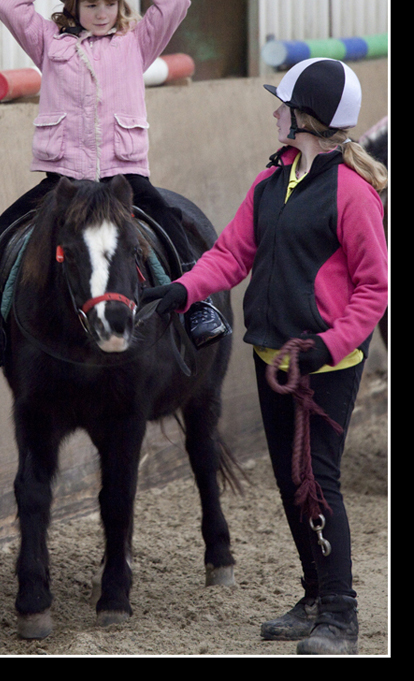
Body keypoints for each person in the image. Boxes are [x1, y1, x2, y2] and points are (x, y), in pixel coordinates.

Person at [142, 57, 388, 655]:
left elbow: (374, 289)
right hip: (273, 356)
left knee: (318, 481)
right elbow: (230, 255)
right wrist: (181, 290)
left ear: (307, 117)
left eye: (283, 103)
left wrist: (329, 344)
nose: (275, 110)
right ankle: (313, 597)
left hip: (322, 364)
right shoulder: (272, 180)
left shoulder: (352, 193)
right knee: (289, 481)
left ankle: (342, 616)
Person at [0, 0, 228, 366]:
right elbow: (9, 6)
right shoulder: (48, 42)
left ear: (120, 4)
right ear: (72, 5)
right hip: (64, 180)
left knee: (171, 225)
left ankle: (197, 307)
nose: (101, 13)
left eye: (109, 2)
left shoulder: (138, 42)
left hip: (123, 176)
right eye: (90, 4)